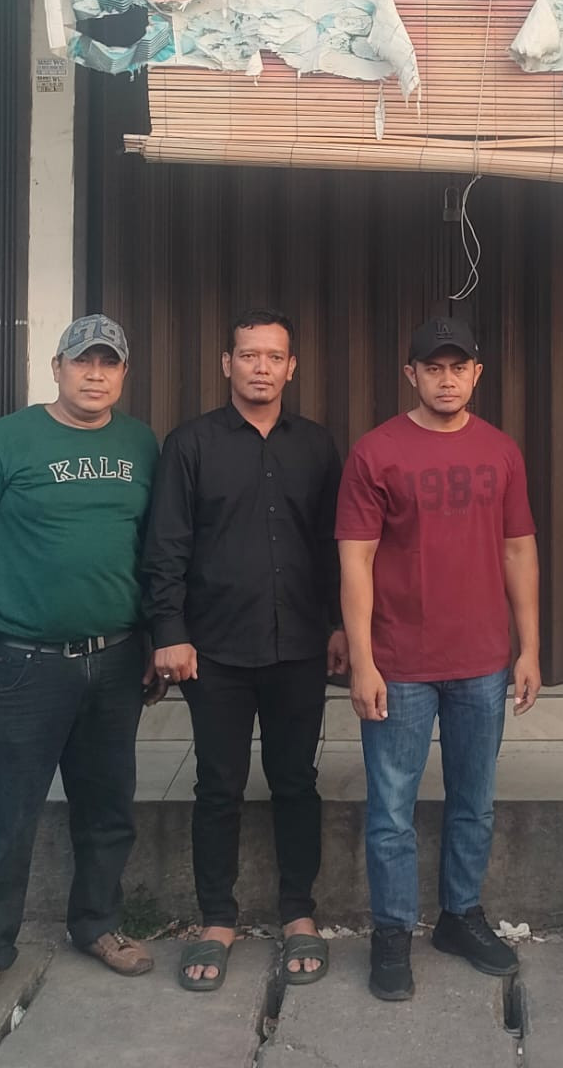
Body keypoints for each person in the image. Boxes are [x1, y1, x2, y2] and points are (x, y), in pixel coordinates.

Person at [0, 315, 161, 1020]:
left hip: (116, 659)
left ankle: (98, 923)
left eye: (108, 363)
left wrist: (155, 639)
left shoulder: (140, 444)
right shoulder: (3, 443)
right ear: (57, 367)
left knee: (108, 809)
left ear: (123, 374)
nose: (95, 375)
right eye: (82, 361)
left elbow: (155, 551)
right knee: (5, 815)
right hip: (23, 664)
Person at [337, 317, 541, 1003]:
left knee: (474, 801)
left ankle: (460, 915)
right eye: (433, 367)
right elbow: (357, 561)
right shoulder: (376, 452)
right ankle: (392, 932)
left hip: (482, 660)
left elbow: (518, 549)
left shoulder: (501, 451)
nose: (446, 379)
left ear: (477, 374)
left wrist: (530, 647)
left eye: (458, 367)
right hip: (399, 661)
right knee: (391, 809)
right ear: (412, 374)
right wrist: (362, 660)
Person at [143, 309, 345, 992]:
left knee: (296, 781)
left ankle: (298, 913)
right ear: (227, 363)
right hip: (216, 648)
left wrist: (340, 625)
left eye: (274, 356)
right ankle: (216, 919)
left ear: (292, 368)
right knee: (218, 784)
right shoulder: (190, 444)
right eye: (249, 355)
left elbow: (333, 544)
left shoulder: (316, 446)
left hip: (300, 645)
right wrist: (169, 630)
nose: (262, 367)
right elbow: (167, 544)